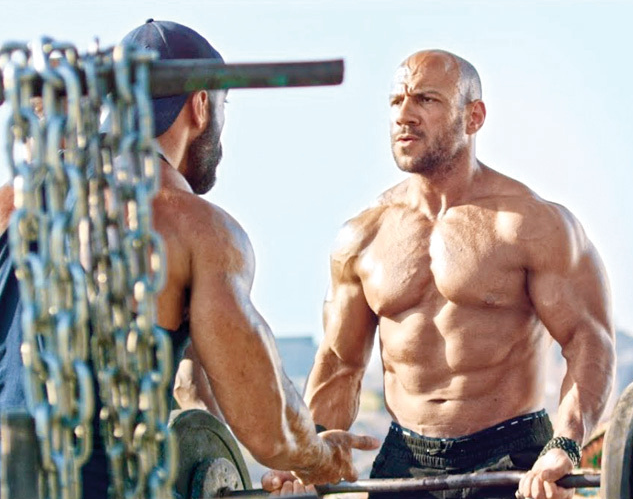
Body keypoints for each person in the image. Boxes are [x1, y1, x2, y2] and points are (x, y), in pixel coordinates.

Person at [0, 19, 378, 499]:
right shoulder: (201, 231)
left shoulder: (4, 206)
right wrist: (320, 456)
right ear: (200, 106)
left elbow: (196, 381)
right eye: (222, 106)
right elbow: (268, 426)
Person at [264, 49, 615, 499]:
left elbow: (588, 340)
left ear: (474, 117)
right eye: (396, 101)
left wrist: (565, 444)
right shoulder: (364, 236)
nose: (404, 115)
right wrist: (308, 456)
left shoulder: (530, 225)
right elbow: (340, 363)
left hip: (512, 460)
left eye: (426, 100)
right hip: (405, 461)